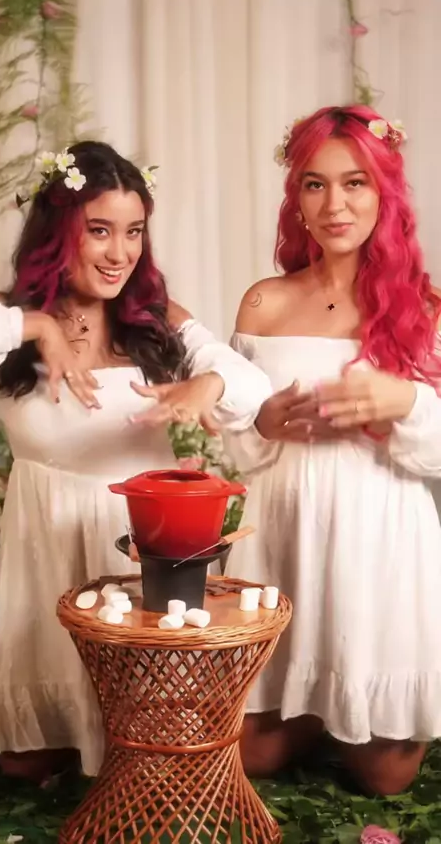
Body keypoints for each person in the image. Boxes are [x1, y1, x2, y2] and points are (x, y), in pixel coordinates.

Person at [0, 141, 272, 782]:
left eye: (133, 232)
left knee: (145, 756)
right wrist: (39, 328)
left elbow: (250, 386)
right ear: (58, 232)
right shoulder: (6, 320)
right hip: (45, 553)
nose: (119, 253)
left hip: (134, 553)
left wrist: (207, 384)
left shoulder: (156, 322)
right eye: (99, 230)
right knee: (25, 763)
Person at [223, 105, 441, 796]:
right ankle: (308, 699)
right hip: (284, 535)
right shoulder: (262, 304)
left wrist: (405, 403)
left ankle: (350, 697)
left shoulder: (426, 309)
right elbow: (236, 439)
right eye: (315, 184)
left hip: (380, 541)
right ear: (297, 198)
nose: (334, 204)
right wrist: (262, 422)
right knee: (250, 757)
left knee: (386, 779)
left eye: (355, 183)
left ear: (385, 193)